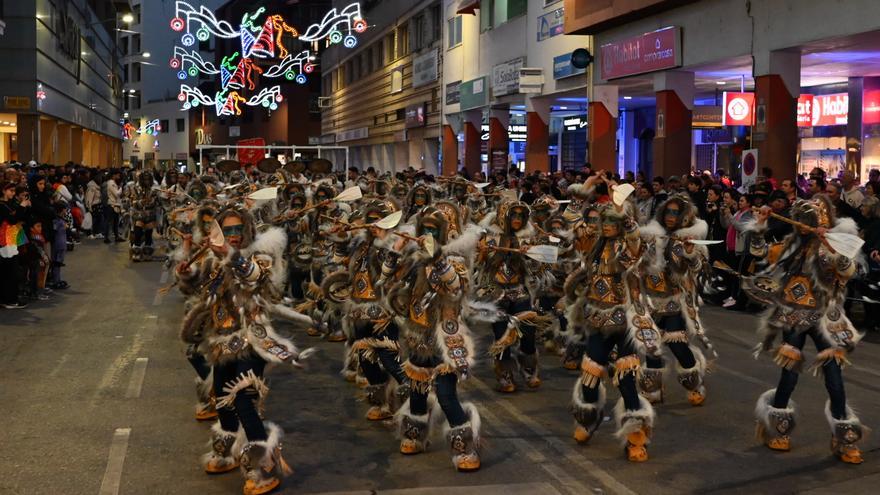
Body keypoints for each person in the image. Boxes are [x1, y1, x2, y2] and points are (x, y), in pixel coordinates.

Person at [177, 205, 311, 494]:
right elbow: (192, 291)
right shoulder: (211, 260)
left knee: (242, 400)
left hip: (253, 340)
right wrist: (186, 267)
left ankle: (264, 469)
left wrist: (229, 254)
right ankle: (225, 452)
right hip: (220, 341)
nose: (234, 235)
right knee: (223, 398)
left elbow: (255, 279)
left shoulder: (260, 257)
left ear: (247, 230)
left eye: (239, 229)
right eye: (228, 230)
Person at [749, 196, 867, 464]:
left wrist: (831, 245)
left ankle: (843, 436)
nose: (803, 225)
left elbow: (848, 272)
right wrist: (760, 225)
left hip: (826, 319)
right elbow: (758, 253)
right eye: (801, 220)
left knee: (834, 380)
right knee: (789, 374)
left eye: (809, 221)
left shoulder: (833, 246)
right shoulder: (791, 246)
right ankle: (777, 425)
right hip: (793, 315)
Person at [564, 199, 661, 461]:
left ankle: (635, 438)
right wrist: (580, 194)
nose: (606, 226)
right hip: (597, 320)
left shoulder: (630, 247)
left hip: (627, 322)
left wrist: (626, 218)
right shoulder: (596, 246)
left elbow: (635, 246)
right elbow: (571, 224)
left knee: (627, 381)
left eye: (611, 222)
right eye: (603, 221)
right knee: (590, 376)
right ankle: (589, 419)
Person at [387, 205, 483, 471]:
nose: (427, 234)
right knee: (417, 391)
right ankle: (415, 435)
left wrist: (436, 257)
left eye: (433, 229)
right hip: (418, 336)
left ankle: (465, 447)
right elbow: (387, 280)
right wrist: (395, 250)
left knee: (445, 394)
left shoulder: (456, 260)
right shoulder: (413, 258)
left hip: (446, 337)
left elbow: (455, 288)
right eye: (425, 229)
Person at [639, 195, 712, 406]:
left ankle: (695, 384)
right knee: (651, 345)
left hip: (673, 301)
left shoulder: (687, 240)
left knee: (677, 345)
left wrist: (690, 254)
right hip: (648, 301)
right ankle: (653, 389)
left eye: (675, 213)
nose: (671, 216)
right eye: (668, 212)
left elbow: (697, 269)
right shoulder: (651, 236)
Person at [0, 181, 29, 309]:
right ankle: (9, 300)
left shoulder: (10, 204)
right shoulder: (1, 206)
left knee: (12, 270)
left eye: (13, 191)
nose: (13, 193)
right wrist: (22, 206)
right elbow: (13, 219)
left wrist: (24, 206)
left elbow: (20, 217)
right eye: (10, 191)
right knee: (9, 272)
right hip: (4, 241)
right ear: (3, 191)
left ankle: (10, 298)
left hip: (12, 239)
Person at [103, 170, 124, 243]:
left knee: (115, 222)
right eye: (118, 175)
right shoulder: (111, 183)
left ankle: (116, 236)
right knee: (108, 222)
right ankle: (106, 238)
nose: (119, 177)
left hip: (115, 205)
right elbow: (116, 194)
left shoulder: (113, 183)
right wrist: (121, 187)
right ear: (113, 175)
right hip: (111, 205)